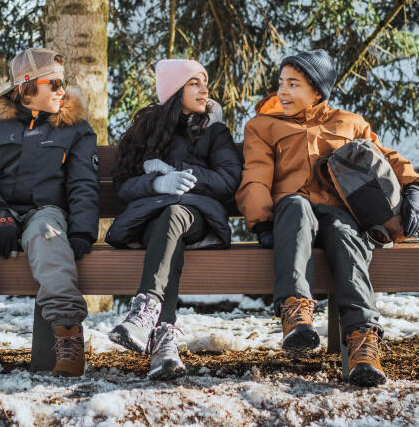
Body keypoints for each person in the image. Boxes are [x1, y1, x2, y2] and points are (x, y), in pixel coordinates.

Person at [236, 49, 419, 387]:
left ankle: (363, 342)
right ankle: (297, 314)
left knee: (345, 233)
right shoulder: (263, 126)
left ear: (317, 90)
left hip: (339, 216)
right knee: (295, 204)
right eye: (281, 83)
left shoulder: (349, 123)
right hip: (293, 220)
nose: (283, 92)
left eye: (294, 84)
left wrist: (413, 187)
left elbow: (387, 158)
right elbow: (256, 174)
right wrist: (261, 221)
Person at [0, 48, 100, 377]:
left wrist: (84, 230)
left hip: (45, 212)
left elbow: (83, 184)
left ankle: (69, 338)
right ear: (27, 87)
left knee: (48, 238)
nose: (62, 90)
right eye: (53, 83)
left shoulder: (76, 129)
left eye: (63, 82)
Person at [106, 59, 242, 380]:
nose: (204, 89)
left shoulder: (214, 131)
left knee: (175, 214)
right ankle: (164, 341)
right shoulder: (145, 132)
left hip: (196, 215)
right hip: (152, 219)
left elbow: (228, 181)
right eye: (194, 82)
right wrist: (155, 183)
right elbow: (124, 186)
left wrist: (183, 174)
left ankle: (144, 312)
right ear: (174, 89)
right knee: (167, 227)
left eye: (204, 81)